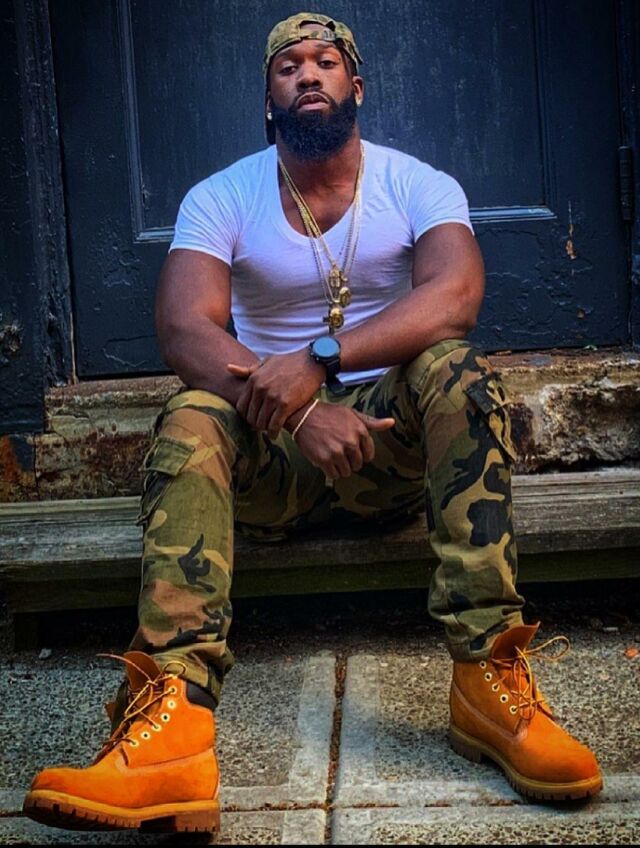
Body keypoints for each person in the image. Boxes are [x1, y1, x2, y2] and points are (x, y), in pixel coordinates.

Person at [23, 12, 602, 835]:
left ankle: (488, 676)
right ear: (270, 97)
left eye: (325, 61)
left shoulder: (418, 183)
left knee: (457, 371)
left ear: (354, 85)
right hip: (275, 461)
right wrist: (298, 410)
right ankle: (173, 725)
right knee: (192, 412)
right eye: (289, 65)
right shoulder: (223, 195)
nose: (307, 74)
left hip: (387, 457)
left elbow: (455, 297)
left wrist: (319, 359)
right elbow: (185, 330)